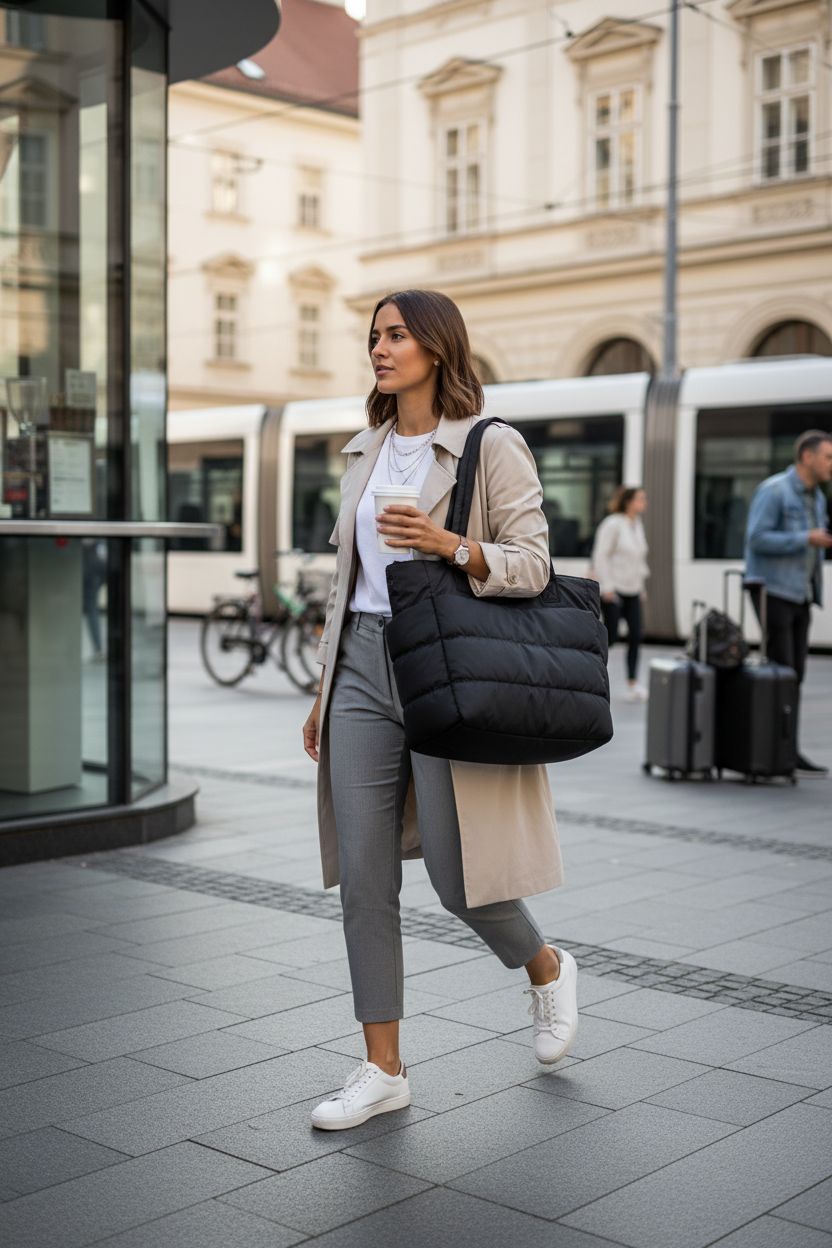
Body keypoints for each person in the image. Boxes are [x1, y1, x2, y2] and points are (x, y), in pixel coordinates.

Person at [301, 289, 577, 1131]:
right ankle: (383, 1067)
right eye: (374, 337)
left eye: (395, 336)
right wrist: (323, 689)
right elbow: (348, 586)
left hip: (439, 668)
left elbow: (534, 564)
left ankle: (548, 967)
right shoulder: (366, 450)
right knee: (363, 875)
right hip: (358, 668)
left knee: (462, 880)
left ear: (436, 348)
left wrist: (448, 544)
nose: (379, 350)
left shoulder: (492, 446)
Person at [745, 429, 832, 775]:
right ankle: (775, 752)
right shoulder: (775, 491)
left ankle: (788, 749)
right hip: (773, 591)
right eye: (828, 457)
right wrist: (805, 538)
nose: (831, 464)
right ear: (807, 457)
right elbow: (756, 538)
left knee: (795, 676)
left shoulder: (817, 496)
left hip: (800, 593)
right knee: (781, 673)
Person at [590, 486, 650, 701]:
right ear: (628, 502)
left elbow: (639, 560)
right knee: (611, 637)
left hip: (633, 589)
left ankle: (633, 683)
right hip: (613, 589)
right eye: (640, 499)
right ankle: (592, 676)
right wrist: (606, 587)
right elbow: (601, 555)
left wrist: (641, 587)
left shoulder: (637, 525)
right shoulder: (612, 524)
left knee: (635, 636)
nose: (644, 502)